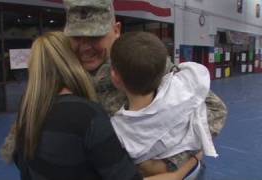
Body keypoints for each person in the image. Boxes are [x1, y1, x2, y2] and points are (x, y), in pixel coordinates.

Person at [63, 0, 227, 172]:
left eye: (94, 37)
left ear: (116, 30)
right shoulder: (63, 74)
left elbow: (215, 110)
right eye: (76, 37)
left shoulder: (141, 61)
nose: (85, 47)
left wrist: (171, 164)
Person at [12, 31, 202, 180]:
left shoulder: (28, 108)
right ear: (70, 59)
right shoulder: (86, 115)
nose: (86, 49)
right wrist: (187, 165)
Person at [109, 31, 218, 177]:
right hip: (192, 171)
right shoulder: (181, 90)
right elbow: (197, 75)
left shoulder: (118, 129)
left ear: (115, 77)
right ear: (163, 71)